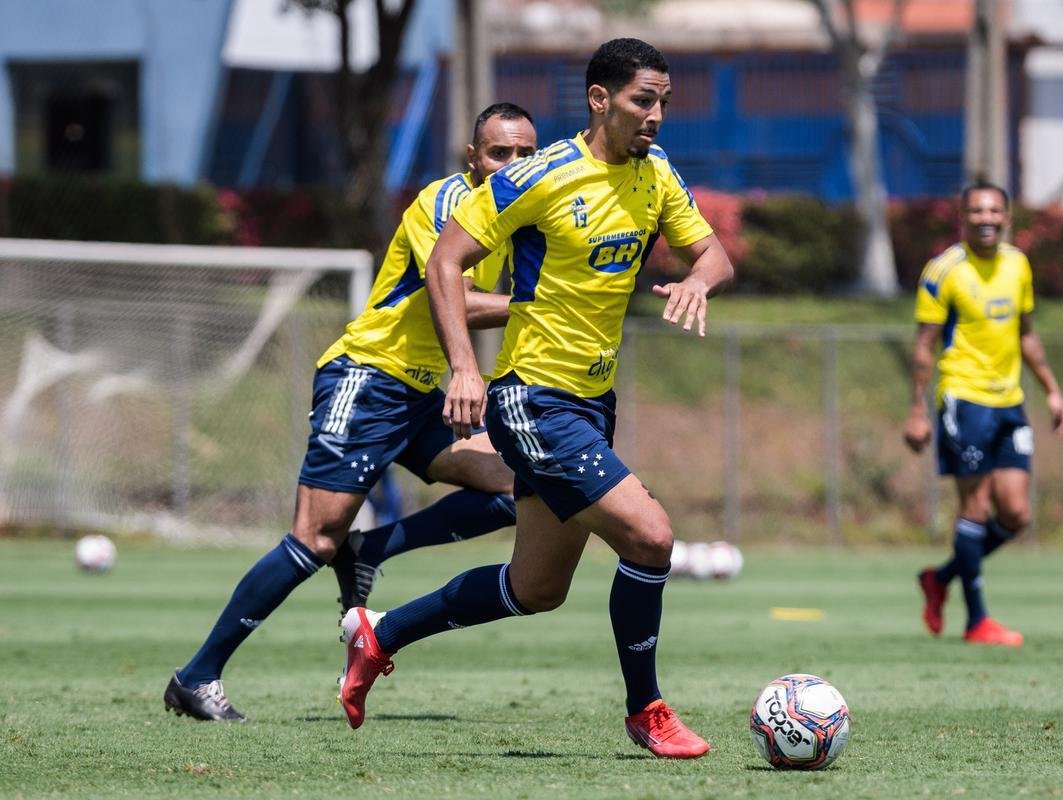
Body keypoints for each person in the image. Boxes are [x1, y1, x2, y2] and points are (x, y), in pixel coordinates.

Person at [335, 38, 734, 759]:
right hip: (531, 400)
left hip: (592, 402)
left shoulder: (657, 173)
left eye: (664, 103)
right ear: (599, 99)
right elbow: (446, 261)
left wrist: (701, 278)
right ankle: (647, 709)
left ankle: (379, 634)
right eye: (645, 100)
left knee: (536, 587)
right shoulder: (541, 176)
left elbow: (714, 252)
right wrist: (464, 368)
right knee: (650, 536)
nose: (656, 117)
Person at [164, 103, 538, 721]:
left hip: (420, 393)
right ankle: (197, 676)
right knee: (314, 538)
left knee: (516, 486)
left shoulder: (519, 219)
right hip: (367, 378)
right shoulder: (443, 205)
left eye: (526, 153)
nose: (514, 164)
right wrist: (540, 304)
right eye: (501, 153)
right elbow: (460, 298)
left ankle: (373, 550)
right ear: (473, 158)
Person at [903, 180, 1063, 647]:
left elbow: (1027, 334)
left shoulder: (1018, 264)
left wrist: (1053, 392)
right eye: (976, 211)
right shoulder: (944, 271)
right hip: (964, 398)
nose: (986, 218)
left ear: (1007, 217)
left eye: (994, 210)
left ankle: (940, 578)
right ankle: (977, 621)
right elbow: (923, 345)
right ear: (963, 217)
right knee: (974, 508)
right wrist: (917, 410)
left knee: (1016, 514)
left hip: (1010, 402)